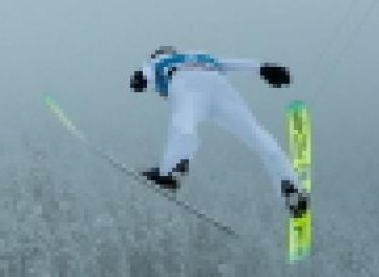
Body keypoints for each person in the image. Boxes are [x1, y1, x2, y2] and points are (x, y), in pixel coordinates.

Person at [129, 46, 309, 216]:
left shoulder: (160, 60)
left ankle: (172, 170)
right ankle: (291, 189)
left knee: (183, 125)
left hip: (188, 85)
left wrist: (139, 78)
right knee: (256, 133)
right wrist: (263, 68)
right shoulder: (202, 56)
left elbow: (146, 71)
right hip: (219, 88)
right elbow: (232, 63)